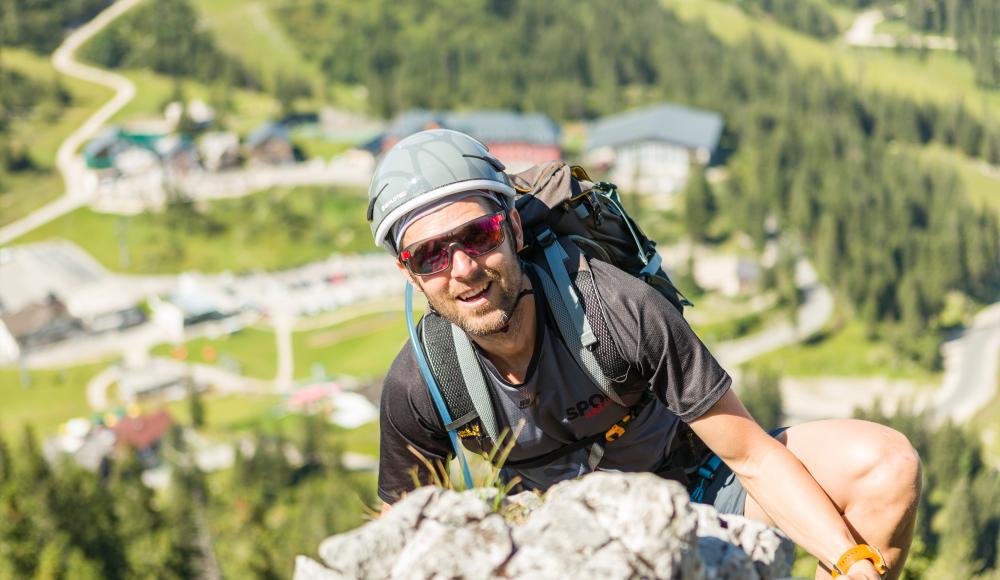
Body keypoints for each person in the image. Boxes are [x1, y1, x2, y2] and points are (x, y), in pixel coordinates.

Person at [368, 129, 920, 579]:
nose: (463, 267)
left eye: (479, 234)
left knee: (884, 467)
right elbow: (399, 539)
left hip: (699, 491)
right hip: (551, 544)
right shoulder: (422, 384)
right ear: (409, 273)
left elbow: (751, 456)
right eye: (431, 254)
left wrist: (851, 562)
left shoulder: (615, 310)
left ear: (512, 226)